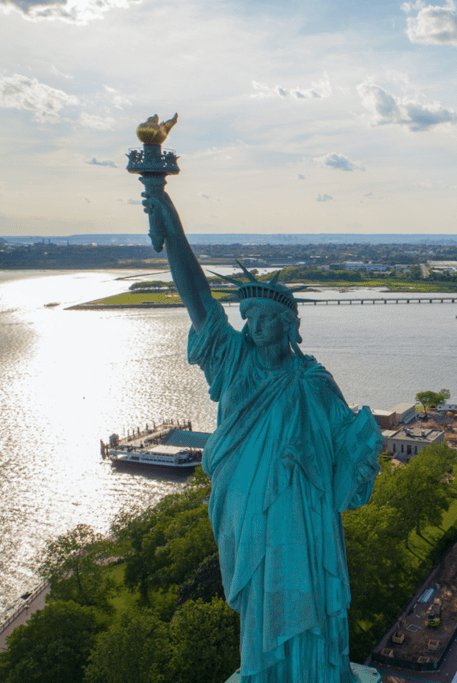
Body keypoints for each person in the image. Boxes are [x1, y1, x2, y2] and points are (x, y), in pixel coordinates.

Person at [141, 186, 381, 682]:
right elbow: (199, 300)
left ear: (288, 325)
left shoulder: (313, 381)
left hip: (303, 510)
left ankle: (315, 672)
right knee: (261, 594)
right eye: (249, 318)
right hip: (246, 507)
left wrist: (362, 441)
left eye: (266, 319)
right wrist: (174, 231)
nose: (254, 327)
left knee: (306, 589)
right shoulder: (232, 361)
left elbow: (344, 448)